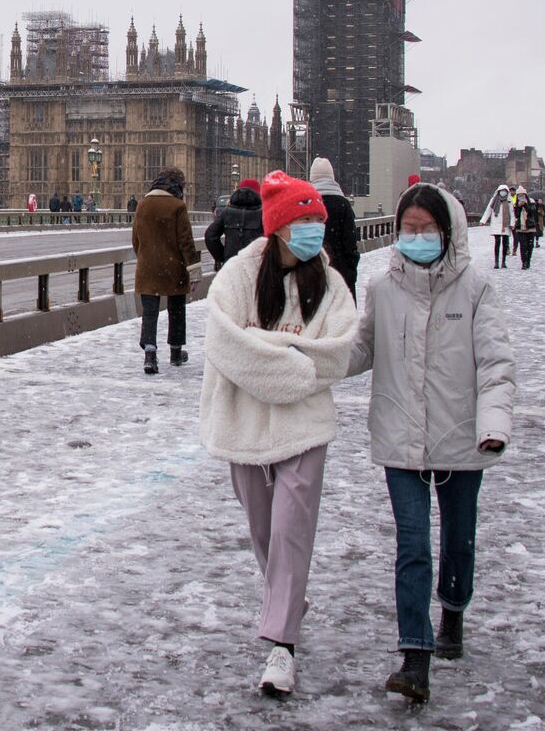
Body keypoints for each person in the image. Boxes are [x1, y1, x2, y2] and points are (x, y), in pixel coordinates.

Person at [350, 181, 516, 703]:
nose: (415, 238)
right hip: (400, 434)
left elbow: (495, 364)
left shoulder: (476, 288)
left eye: (425, 230)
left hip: (461, 434)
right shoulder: (381, 287)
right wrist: (304, 363)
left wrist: (493, 425)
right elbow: (359, 350)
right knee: (413, 546)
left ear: (448, 232)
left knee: (458, 541)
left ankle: (454, 607)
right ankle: (415, 656)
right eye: (408, 230)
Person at [201, 170, 360, 698]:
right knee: (265, 529)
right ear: (280, 226)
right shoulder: (238, 278)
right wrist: (293, 361)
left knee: (292, 526)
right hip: (242, 419)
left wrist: (262, 348)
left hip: (304, 424)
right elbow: (226, 345)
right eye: (308, 219)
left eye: (319, 218)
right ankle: (288, 597)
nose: (318, 227)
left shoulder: (330, 284)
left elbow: (336, 353)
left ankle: (281, 646)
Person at [132, 167, 196, 373]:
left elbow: (136, 240)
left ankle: (150, 356)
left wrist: (146, 257)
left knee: (149, 313)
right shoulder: (177, 206)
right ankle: (176, 352)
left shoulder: (142, 204)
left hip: (148, 268)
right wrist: (193, 269)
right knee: (176, 310)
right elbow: (186, 242)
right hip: (174, 268)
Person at [309, 158, 362, 299]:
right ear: (332, 177)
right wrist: (350, 273)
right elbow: (351, 245)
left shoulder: (307, 204)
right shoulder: (343, 204)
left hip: (312, 275)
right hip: (341, 274)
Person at [204, 178, 264, 271]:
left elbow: (210, 236)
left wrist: (223, 256)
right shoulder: (264, 214)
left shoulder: (227, 212)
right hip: (256, 267)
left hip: (231, 267)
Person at [478, 185, 513, 269]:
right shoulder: (494, 200)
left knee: (505, 244)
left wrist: (512, 223)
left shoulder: (509, 200)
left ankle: (503, 262)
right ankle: (496, 262)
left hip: (506, 225)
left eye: (504, 191)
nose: (503, 192)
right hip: (496, 224)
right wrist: (483, 220)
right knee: (497, 243)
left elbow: (512, 213)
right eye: (501, 191)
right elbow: (488, 210)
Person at [512, 191, 541, 269]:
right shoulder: (516, 204)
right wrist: (519, 206)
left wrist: (525, 205)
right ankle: (524, 262)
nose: (521, 198)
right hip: (521, 228)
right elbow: (516, 215)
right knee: (523, 245)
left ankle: (528, 260)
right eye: (519, 196)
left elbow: (532, 213)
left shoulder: (531, 203)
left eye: (522, 196)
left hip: (530, 227)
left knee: (530, 246)